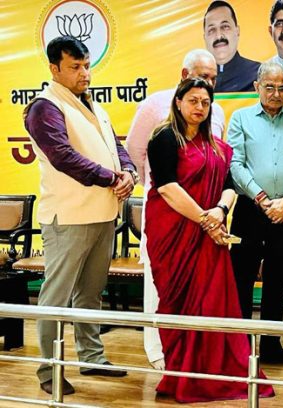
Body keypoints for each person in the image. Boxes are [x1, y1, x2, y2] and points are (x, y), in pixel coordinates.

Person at [145, 78, 274, 402]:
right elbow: (166, 188)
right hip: (174, 236)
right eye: (193, 101)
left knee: (214, 304)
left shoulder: (214, 144)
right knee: (177, 305)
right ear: (178, 102)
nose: (199, 107)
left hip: (209, 236)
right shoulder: (163, 138)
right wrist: (206, 219)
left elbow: (230, 183)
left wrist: (219, 210)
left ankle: (214, 374)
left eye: (205, 102)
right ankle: (179, 375)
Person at [23, 35, 133, 395]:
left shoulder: (90, 102)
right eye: (75, 67)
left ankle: (91, 357)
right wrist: (111, 177)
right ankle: (48, 370)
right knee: (55, 297)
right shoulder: (45, 106)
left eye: (87, 65)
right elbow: (63, 156)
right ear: (54, 68)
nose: (85, 73)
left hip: (102, 215)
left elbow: (114, 144)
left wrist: (128, 171)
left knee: (90, 293)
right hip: (68, 218)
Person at [125, 48, 225, 371]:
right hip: (168, 217)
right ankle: (159, 354)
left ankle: (193, 354)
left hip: (206, 219)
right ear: (184, 76)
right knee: (160, 286)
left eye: (213, 79)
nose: (208, 86)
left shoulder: (217, 111)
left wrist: (216, 209)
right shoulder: (155, 106)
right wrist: (161, 199)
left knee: (198, 290)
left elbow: (220, 164)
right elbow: (135, 154)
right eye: (202, 77)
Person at [227, 62, 283, 364]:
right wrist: (262, 198)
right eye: (270, 87)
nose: (277, 93)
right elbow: (235, 165)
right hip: (250, 211)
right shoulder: (240, 119)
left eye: (282, 87)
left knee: (278, 279)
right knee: (242, 278)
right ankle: (238, 347)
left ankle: (271, 345)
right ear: (257, 87)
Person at [204, 1, 260, 92]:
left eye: (225, 27)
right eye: (212, 30)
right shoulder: (195, 79)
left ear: (237, 31)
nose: (219, 36)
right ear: (205, 37)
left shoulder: (260, 74)